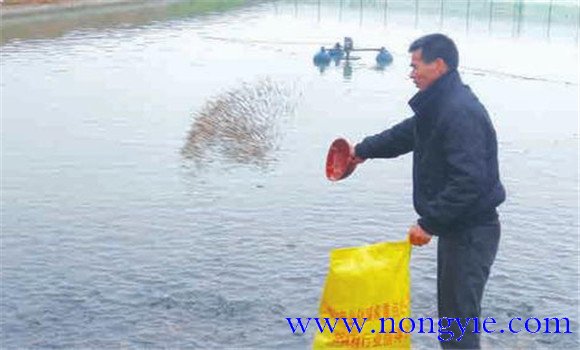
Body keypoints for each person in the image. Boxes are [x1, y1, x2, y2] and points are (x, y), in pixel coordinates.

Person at [351, 33, 506, 349]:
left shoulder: (459, 111)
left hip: (472, 231)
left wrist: (429, 223)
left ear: (438, 65)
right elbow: (403, 135)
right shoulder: (438, 106)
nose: (410, 73)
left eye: (415, 66)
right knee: (452, 317)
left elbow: (470, 181)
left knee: (458, 321)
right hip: (458, 228)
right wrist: (361, 151)